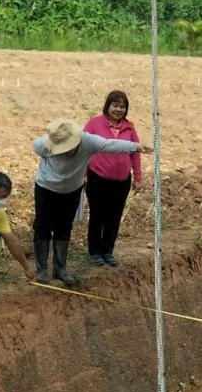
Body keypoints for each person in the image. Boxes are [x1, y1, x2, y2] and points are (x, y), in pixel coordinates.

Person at [32, 119, 151, 286]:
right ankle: (42, 270)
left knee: (64, 227)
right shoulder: (44, 144)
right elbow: (35, 148)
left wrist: (136, 147)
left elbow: (110, 145)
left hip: (72, 190)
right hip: (46, 187)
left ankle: (60, 269)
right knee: (42, 226)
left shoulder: (87, 141)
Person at [82, 90, 144, 267]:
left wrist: (137, 177)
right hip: (98, 178)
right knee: (97, 215)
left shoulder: (129, 127)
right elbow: (83, 149)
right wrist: (82, 174)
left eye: (122, 106)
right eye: (115, 105)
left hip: (121, 181)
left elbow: (135, 152)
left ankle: (107, 251)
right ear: (108, 105)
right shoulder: (94, 124)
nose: (118, 109)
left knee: (114, 217)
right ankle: (94, 252)